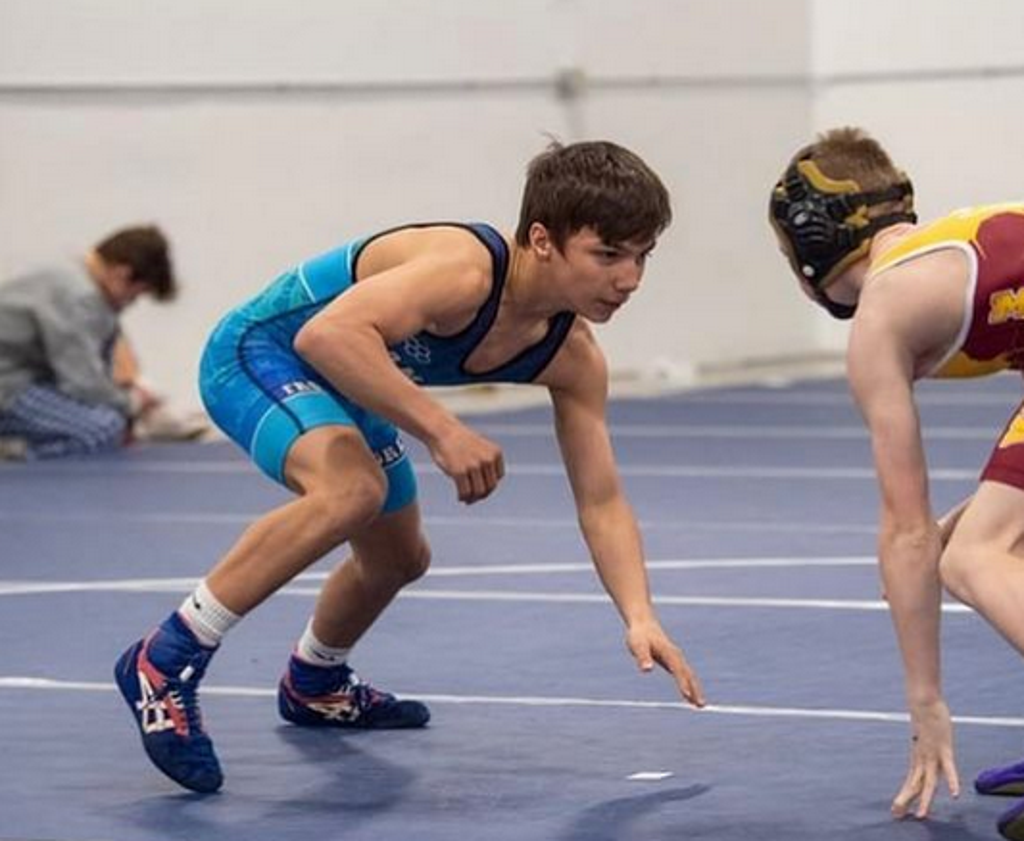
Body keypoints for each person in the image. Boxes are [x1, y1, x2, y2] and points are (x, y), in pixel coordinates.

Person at [115, 140, 707, 794]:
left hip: (352, 380)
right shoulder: (464, 272)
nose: (630, 279)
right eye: (608, 254)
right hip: (261, 353)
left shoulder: (571, 355)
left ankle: (316, 681)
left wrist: (639, 614)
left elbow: (601, 499)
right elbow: (325, 336)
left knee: (399, 557)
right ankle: (166, 655)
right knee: (353, 490)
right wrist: (442, 428)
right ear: (542, 239)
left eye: (642, 255)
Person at [770, 126, 1024, 840]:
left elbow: (903, 530)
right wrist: (951, 530)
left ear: (809, 246)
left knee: (974, 558)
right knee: (991, 545)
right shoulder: (965, 247)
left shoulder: (884, 312)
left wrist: (926, 704)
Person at [0, 225, 177, 460]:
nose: (130, 303)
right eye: (135, 295)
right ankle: (14, 456)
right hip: (9, 386)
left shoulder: (70, 275)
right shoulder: (79, 297)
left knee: (109, 419)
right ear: (122, 274)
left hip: (19, 378)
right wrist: (132, 403)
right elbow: (81, 382)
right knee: (101, 430)